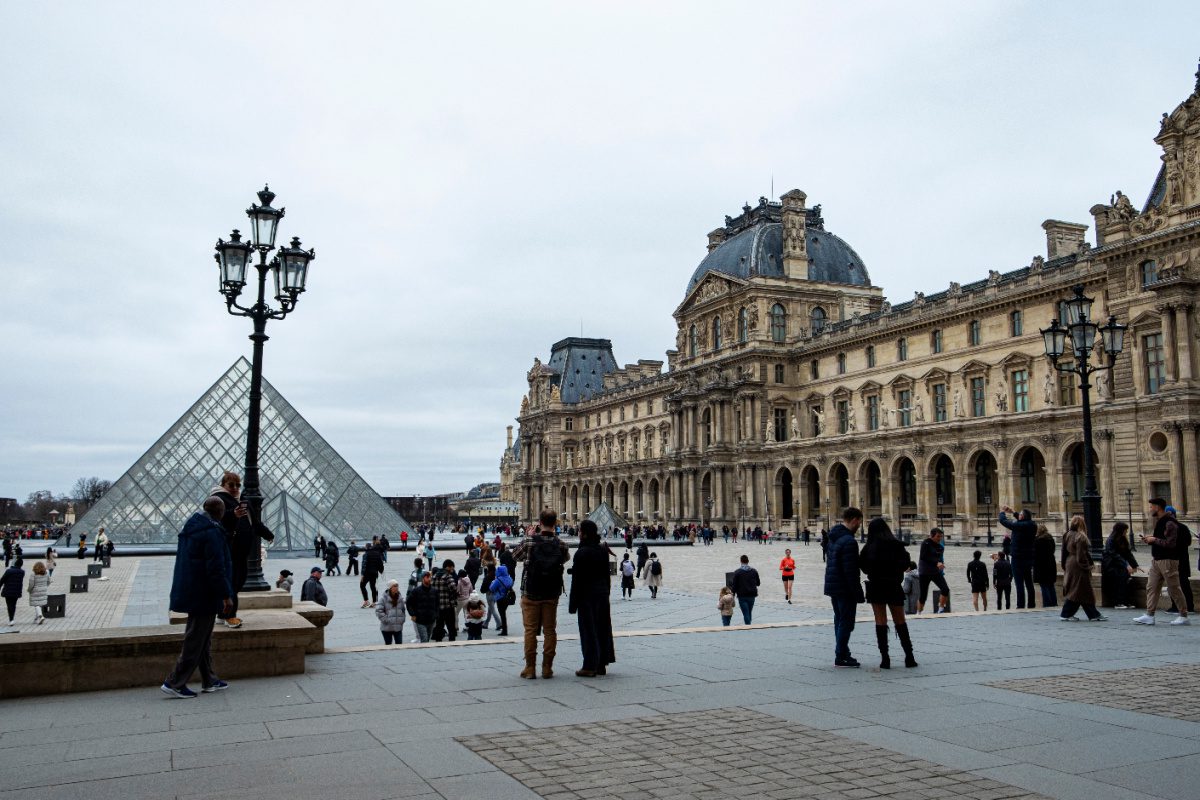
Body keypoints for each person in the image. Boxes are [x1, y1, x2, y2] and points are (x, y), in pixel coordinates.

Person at [161, 497, 233, 698]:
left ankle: (209, 679)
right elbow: (216, 568)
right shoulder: (212, 532)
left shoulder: (192, 529)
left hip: (193, 587)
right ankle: (174, 681)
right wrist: (226, 595)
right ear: (220, 511)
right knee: (196, 637)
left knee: (203, 637)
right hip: (205, 591)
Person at [209, 471, 273, 629]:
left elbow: (255, 522)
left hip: (242, 550)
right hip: (229, 549)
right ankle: (230, 616)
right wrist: (233, 514)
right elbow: (214, 518)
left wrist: (268, 534)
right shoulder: (218, 499)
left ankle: (222, 613)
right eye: (231, 485)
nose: (235, 487)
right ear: (223, 485)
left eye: (238, 485)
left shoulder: (243, 501)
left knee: (238, 582)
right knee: (232, 582)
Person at [511, 508, 570, 679]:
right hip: (551, 593)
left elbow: (515, 556)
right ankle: (547, 668)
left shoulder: (530, 542)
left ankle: (530, 668)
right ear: (555, 523)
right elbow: (564, 558)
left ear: (540, 522)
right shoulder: (561, 544)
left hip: (530, 592)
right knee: (550, 631)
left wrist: (528, 535)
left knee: (530, 630)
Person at [859, 517, 917, 668]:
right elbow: (906, 565)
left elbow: (864, 568)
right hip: (893, 586)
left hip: (876, 587)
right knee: (900, 621)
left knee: (880, 621)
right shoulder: (897, 546)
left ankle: (885, 658)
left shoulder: (868, 548)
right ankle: (909, 657)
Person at [1133, 498, 1191, 626]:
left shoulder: (1170, 523)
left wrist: (1154, 540)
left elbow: (1171, 544)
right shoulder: (1160, 521)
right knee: (1151, 586)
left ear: (1158, 507)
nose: (1150, 509)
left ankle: (1183, 615)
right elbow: (1161, 540)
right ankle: (1149, 615)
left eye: (1151, 507)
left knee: (1174, 588)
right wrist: (1150, 540)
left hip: (1168, 560)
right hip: (1157, 560)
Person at [569, 520, 615, 676]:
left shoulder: (581, 553)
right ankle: (601, 664)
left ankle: (589, 666)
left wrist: (573, 604)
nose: (578, 533)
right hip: (602, 595)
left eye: (580, 531)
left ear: (585, 533)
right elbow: (606, 575)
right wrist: (607, 592)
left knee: (588, 631)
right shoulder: (602, 550)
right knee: (602, 628)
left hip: (586, 596)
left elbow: (577, 581)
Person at [824, 507, 865, 668]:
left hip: (833, 586)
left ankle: (843, 652)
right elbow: (851, 571)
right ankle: (841, 656)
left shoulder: (834, 537)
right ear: (854, 520)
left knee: (839, 620)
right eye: (859, 522)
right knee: (846, 622)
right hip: (844, 587)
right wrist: (858, 593)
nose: (859, 526)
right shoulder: (849, 541)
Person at [1060, 515, 1106, 621]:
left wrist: (1064, 565)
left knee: (1081, 590)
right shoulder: (1080, 537)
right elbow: (1081, 555)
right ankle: (1066, 613)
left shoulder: (1067, 534)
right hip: (1078, 566)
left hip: (1069, 563)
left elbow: (1063, 552)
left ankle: (1093, 614)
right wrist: (1087, 566)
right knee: (1079, 589)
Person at [998, 506, 1037, 608]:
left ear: (1022, 517)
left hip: (1017, 558)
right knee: (1029, 582)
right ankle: (1031, 604)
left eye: (1020, 514)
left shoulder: (1019, 525)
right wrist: (1013, 512)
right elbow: (1023, 521)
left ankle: (1020, 605)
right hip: (1028, 558)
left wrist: (1002, 512)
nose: (1018, 515)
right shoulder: (1032, 525)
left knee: (1019, 583)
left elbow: (1005, 522)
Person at [1165, 506, 1195, 614]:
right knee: (1184, 584)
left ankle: (1176, 607)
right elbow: (1188, 542)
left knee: (1174, 585)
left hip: (1174, 560)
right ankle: (1189, 606)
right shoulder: (1183, 527)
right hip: (1183, 560)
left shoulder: (1169, 528)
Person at [1102, 522, 1139, 609]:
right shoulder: (1111, 540)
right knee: (1121, 578)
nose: (1126, 532)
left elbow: (1128, 554)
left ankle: (1125, 601)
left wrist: (1135, 565)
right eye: (1125, 530)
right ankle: (1119, 602)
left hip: (1119, 564)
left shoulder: (1123, 540)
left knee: (1127, 579)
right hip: (1111, 565)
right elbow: (1114, 555)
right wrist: (1126, 565)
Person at [916, 529, 950, 614]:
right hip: (924, 572)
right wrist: (936, 563)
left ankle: (941, 609)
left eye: (941, 536)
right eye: (938, 536)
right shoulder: (925, 543)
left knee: (945, 589)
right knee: (923, 596)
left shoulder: (940, 546)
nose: (940, 538)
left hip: (935, 572)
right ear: (932, 536)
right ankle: (919, 612)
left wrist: (941, 564)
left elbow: (940, 558)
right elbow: (923, 557)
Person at [430, 559, 459, 642]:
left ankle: (438, 641)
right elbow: (454, 589)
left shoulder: (434, 576)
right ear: (448, 567)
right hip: (448, 605)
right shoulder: (447, 576)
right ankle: (452, 641)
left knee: (439, 625)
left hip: (438, 606)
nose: (452, 570)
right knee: (451, 626)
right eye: (452, 568)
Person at [406, 572, 437, 642]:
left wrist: (436, 615)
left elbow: (437, 604)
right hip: (420, 620)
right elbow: (409, 603)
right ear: (423, 579)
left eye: (430, 577)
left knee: (427, 639)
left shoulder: (434, 591)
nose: (429, 579)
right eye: (427, 577)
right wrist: (412, 614)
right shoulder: (416, 591)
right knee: (424, 639)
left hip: (431, 619)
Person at [730, 554, 761, 624]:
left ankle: (748, 626)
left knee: (745, 613)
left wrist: (732, 594)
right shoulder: (754, 571)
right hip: (752, 595)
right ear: (748, 561)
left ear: (741, 561)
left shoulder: (737, 572)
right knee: (749, 612)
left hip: (742, 595)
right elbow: (758, 583)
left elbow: (734, 585)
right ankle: (749, 624)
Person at [1033, 525, 1058, 607]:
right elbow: (1053, 550)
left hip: (1041, 565)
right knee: (1051, 585)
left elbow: (1035, 554)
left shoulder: (1038, 541)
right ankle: (1054, 603)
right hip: (1051, 564)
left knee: (1044, 585)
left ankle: (1047, 604)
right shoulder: (1051, 539)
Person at [375, 579, 406, 645]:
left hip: (398, 627)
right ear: (390, 587)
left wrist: (402, 620)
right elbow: (378, 610)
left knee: (399, 645)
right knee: (388, 646)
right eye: (394, 586)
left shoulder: (400, 598)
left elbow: (403, 610)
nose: (396, 587)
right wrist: (386, 620)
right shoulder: (383, 598)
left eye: (397, 586)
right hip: (387, 627)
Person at [489, 563, 514, 637]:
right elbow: (511, 584)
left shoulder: (498, 580)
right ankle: (504, 629)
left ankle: (504, 630)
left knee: (502, 614)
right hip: (507, 598)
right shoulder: (509, 578)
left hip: (500, 598)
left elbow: (491, 588)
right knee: (503, 614)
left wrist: (493, 582)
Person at [1, 557, 25, 626]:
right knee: (13, 605)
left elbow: (2, 580)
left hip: (8, 591)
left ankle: (11, 619)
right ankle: (12, 619)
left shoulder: (9, 571)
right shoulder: (22, 572)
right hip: (16, 591)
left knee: (9, 605)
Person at [360, 541, 384, 608]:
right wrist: (381, 571)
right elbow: (380, 563)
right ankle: (374, 602)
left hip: (367, 573)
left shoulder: (366, 554)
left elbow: (364, 565)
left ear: (367, 547)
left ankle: (366, 601)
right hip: (374, 573)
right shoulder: (377, 554)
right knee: (373, 587)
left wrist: (362, 575)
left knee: (362, 585)